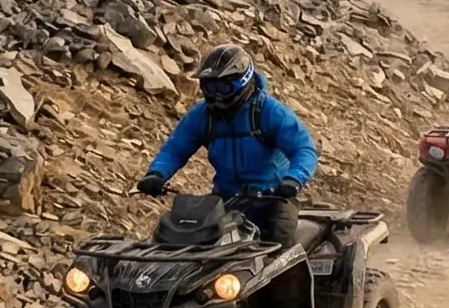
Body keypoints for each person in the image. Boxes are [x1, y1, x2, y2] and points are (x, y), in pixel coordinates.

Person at [136, 45, 318, 248]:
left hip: (273, 197)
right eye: (209, 88)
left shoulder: (270, 112)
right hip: (225, 199)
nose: (216, 96)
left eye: (223, 88)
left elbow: (304, 149)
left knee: (279, 248)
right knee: (189, 242)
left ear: (243, 82)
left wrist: (293, 180)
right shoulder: (202, 115)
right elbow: (176, 148)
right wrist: (156, 174)